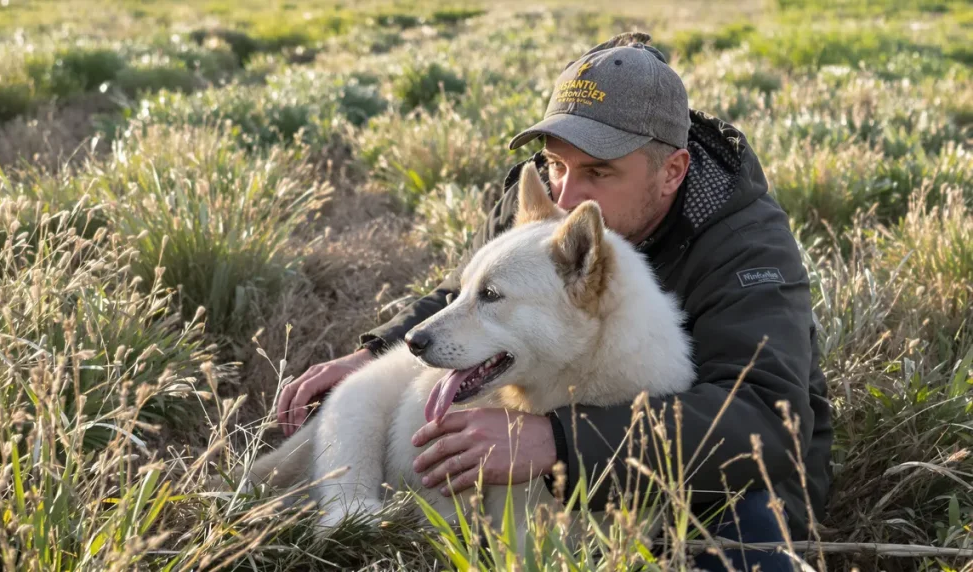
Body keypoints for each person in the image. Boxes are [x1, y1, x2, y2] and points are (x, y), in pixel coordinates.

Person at [274, 32, 833, 571]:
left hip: (709, 471)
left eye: (598, 171)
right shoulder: (546, 207)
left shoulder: (743, 244)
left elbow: (765, 420)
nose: (566, 195)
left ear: (672, 172)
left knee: (751, 536)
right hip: (548, 441)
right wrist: (375, 352)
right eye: (557, 164)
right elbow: (470, 297)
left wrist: (555, 441)